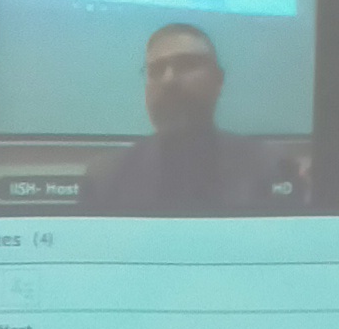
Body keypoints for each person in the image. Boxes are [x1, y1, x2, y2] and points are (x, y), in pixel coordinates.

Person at [75, 20, 308, 213]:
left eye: (186, 64)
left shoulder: (269, 165)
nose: (169, 80)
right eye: (156, 70)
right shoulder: (106, 176)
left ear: (218, 80)